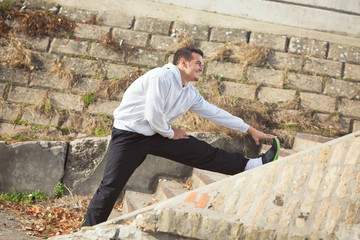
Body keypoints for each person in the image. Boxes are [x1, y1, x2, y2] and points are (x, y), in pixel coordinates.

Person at [81, 47, 279, 227]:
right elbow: (153, 114)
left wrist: (249, 129)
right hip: (129, 136)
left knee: (201, 151)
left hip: (157, 133)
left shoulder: (189, 92)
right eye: (198, 63)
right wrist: (170, 133)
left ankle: (251, 165)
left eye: (203, 64)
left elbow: (214, 112)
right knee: (110, 187)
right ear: (183, 63)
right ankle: (86, 232)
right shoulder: (161, 77)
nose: (202, 68)